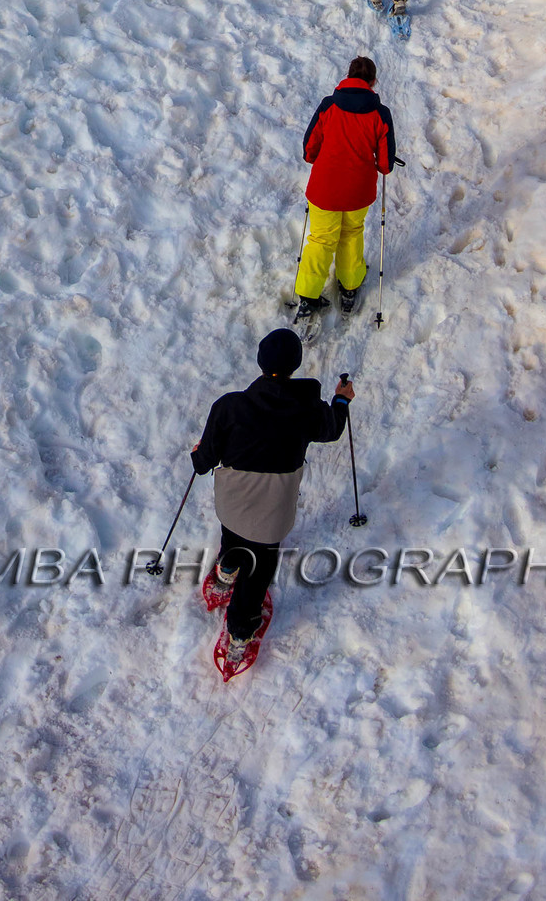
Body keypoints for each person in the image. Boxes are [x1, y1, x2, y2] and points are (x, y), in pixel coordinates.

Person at [190, 329, 354, 675]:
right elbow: (333, 428)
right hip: (273, 515)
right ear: (295, 366)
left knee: (233, 538)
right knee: (257, 575)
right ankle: (238, 635)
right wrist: (341, 399)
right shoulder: (308, 410)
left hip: (232, 503)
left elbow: (204, 460)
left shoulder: (229, 406)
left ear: (260, 362)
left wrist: (198, 456)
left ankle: (224, 574)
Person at [293, 56, 397, 321]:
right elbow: (385, 165)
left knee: (321, 239)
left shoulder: (329, 106)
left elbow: (308, 151)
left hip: (324, 189)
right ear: (373, 82)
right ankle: (350, 286)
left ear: (348, 77)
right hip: (357, 193)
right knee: (351, 234)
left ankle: (307, 294)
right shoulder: (380, 114)